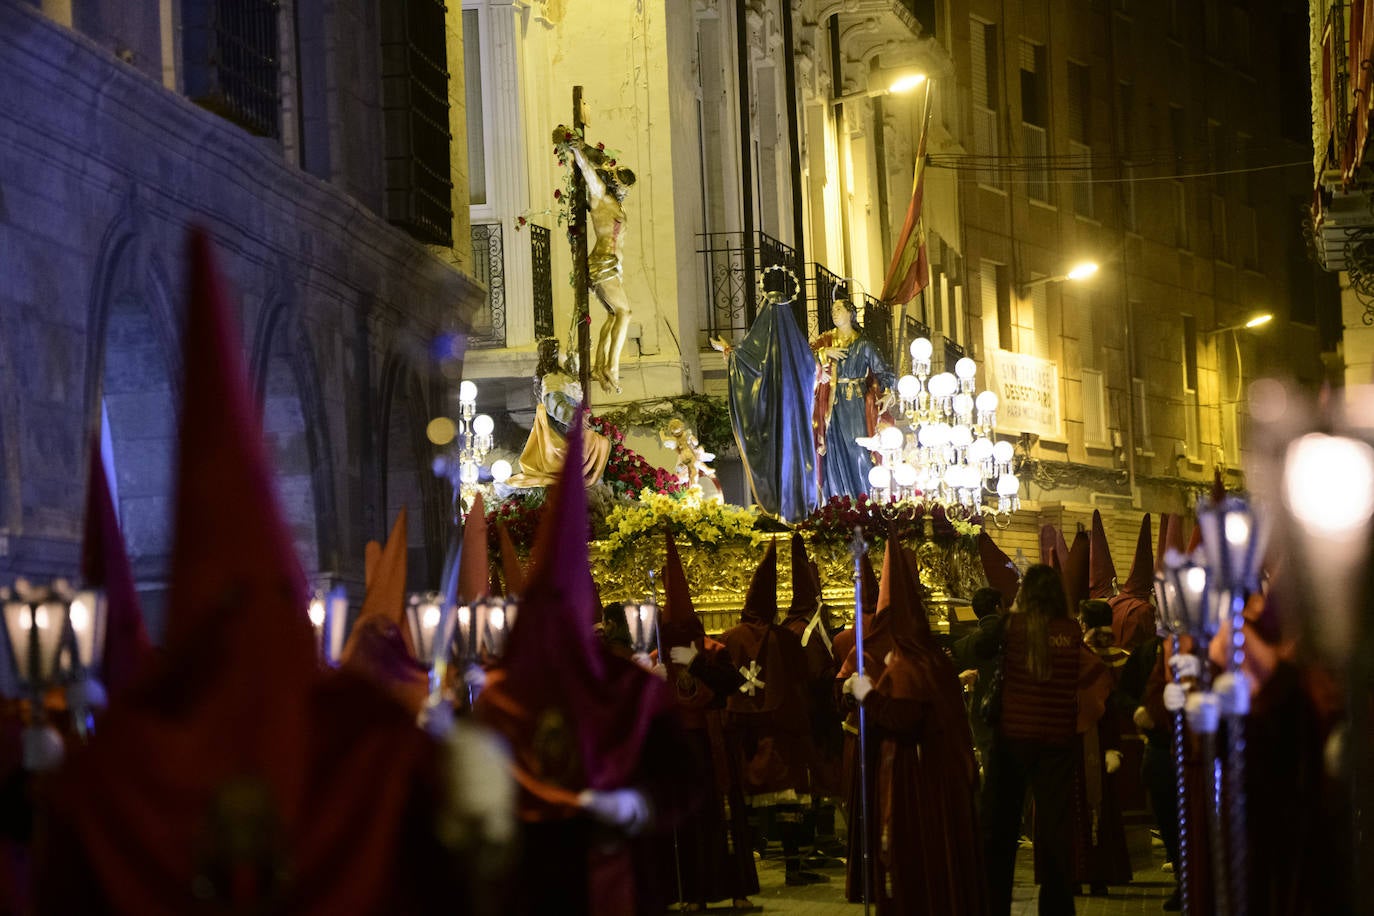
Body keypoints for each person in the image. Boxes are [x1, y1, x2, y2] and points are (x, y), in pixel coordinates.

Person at [474, 410, 699, 915]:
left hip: (620, 879)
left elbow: (683, 780)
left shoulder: (632, 690)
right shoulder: (501, 697)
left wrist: (637, 804)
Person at [846, 540, 988, 914]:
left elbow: (904, 719)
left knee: (915, 857)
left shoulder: (909, 665)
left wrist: (866, 695)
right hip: (942, 776)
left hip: (916, 777)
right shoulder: (933, 659)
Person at [980, 564, 1110, 916]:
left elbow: (979, 645)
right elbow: (1095, 673)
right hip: (1057, 742)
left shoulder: (1011, 626)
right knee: (1055, 830)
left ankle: (995, 905)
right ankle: (1056, 907)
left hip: (1013, 740)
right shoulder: (1070, 630)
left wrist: (1013, 612)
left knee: (1002, 828)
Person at [658, 532, 759, 912]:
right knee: (684, 825)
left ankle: (735, 890)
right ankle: (692, 894)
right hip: (678, 751)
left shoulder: (714, 651)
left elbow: (732, 684)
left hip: (713, 747)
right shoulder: (658, 656)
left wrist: (698, 664)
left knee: (723, 821)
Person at [720, 542, 820, 886]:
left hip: (740, 731)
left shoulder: (728, 637)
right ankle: (793, 867)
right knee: (787, 799)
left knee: (744, 802)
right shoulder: (785, 639)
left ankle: (743, 871)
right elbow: (799, 681)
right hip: (778, 729)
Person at [713, 269, 820, 522]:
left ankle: (778, 509)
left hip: (772, 417)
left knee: (775, 454)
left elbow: (745, 363)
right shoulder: (801, 349)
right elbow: (811, 372)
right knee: (794, 454)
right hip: (795, 420)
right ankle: (798, 507)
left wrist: (728, 350)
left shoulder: (761, 346)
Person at [554, 126, 637, 394]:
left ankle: (601, 365)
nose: (625, 190)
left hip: (611, 266)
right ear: (614, 182)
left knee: (615, 314)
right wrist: (577, 149)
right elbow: (589, 174)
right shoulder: (601, 197)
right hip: (603, 264)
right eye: (623, 183)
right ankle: (612, 367)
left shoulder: (616, 204)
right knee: (624, 312)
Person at [1062, 599, 1131, 895]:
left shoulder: (1079, 657)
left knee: (1076, 804)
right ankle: (1103, 872)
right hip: (1115, 740)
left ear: (1083, 623)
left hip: (1079, 738)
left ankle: (1078, 872)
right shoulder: (1124, 656)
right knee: (1103, 804)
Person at [811, 297, 896, 501]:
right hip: (830, 405)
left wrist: (888, 394)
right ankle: (838, 504)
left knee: (858, 451)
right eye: (833, 309)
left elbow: (885, 373)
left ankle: (865, 502)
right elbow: (804, 357)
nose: (834, 312)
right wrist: (824, 354)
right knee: (832, 453)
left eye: (839, 308)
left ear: (851, 314)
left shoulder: (864, 344)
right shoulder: (825, 341)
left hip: (855, 403)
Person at [952, 586, 1007, 776]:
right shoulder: (1016, 638)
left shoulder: (962, 645)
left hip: (981, 717)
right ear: (999, 608)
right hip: (1013, 714)